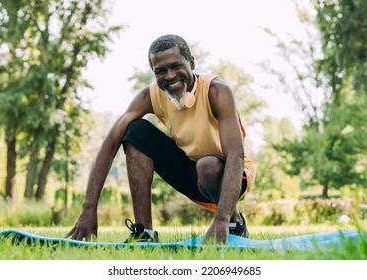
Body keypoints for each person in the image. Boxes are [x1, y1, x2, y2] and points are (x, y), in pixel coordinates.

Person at [66, 34, 256, 244]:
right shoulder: (151, 95)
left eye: (176, 66)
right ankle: (143, 233)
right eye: (161, 71)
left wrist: (221, 220)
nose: (170, 76)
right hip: (191, 171)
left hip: (231, 175)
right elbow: (110, 145)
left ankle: (233, 220)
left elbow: (236, 155)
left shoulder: (217, 91)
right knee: (136, 130)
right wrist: (89, 209)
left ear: (191, 62)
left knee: (207, 165)